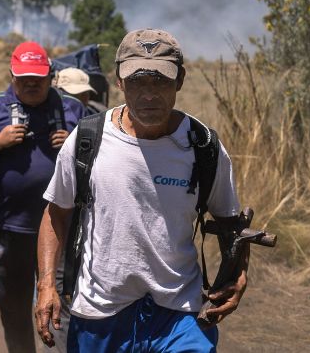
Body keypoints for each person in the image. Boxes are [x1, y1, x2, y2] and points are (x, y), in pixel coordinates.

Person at [35, 29, 246, 352]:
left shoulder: (203, 146)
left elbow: (231, 222)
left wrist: (238, 275)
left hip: (177, 313)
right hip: (100, 312)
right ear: (119, 81)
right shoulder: (88, 140)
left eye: (160, 81)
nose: (149, 94)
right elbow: (56, 212)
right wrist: (46, 282)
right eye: (137, 81)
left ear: (180, 80)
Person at [0, 41, 84, 353]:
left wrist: (76, 147)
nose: (30, 83)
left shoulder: (73, 110)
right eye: (23, 77)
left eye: (38, 77)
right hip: (10, 229)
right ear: (11, 76)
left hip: (61, 229)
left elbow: (103, 164)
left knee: (61, 306)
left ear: (51, 75)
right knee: (13, 309)